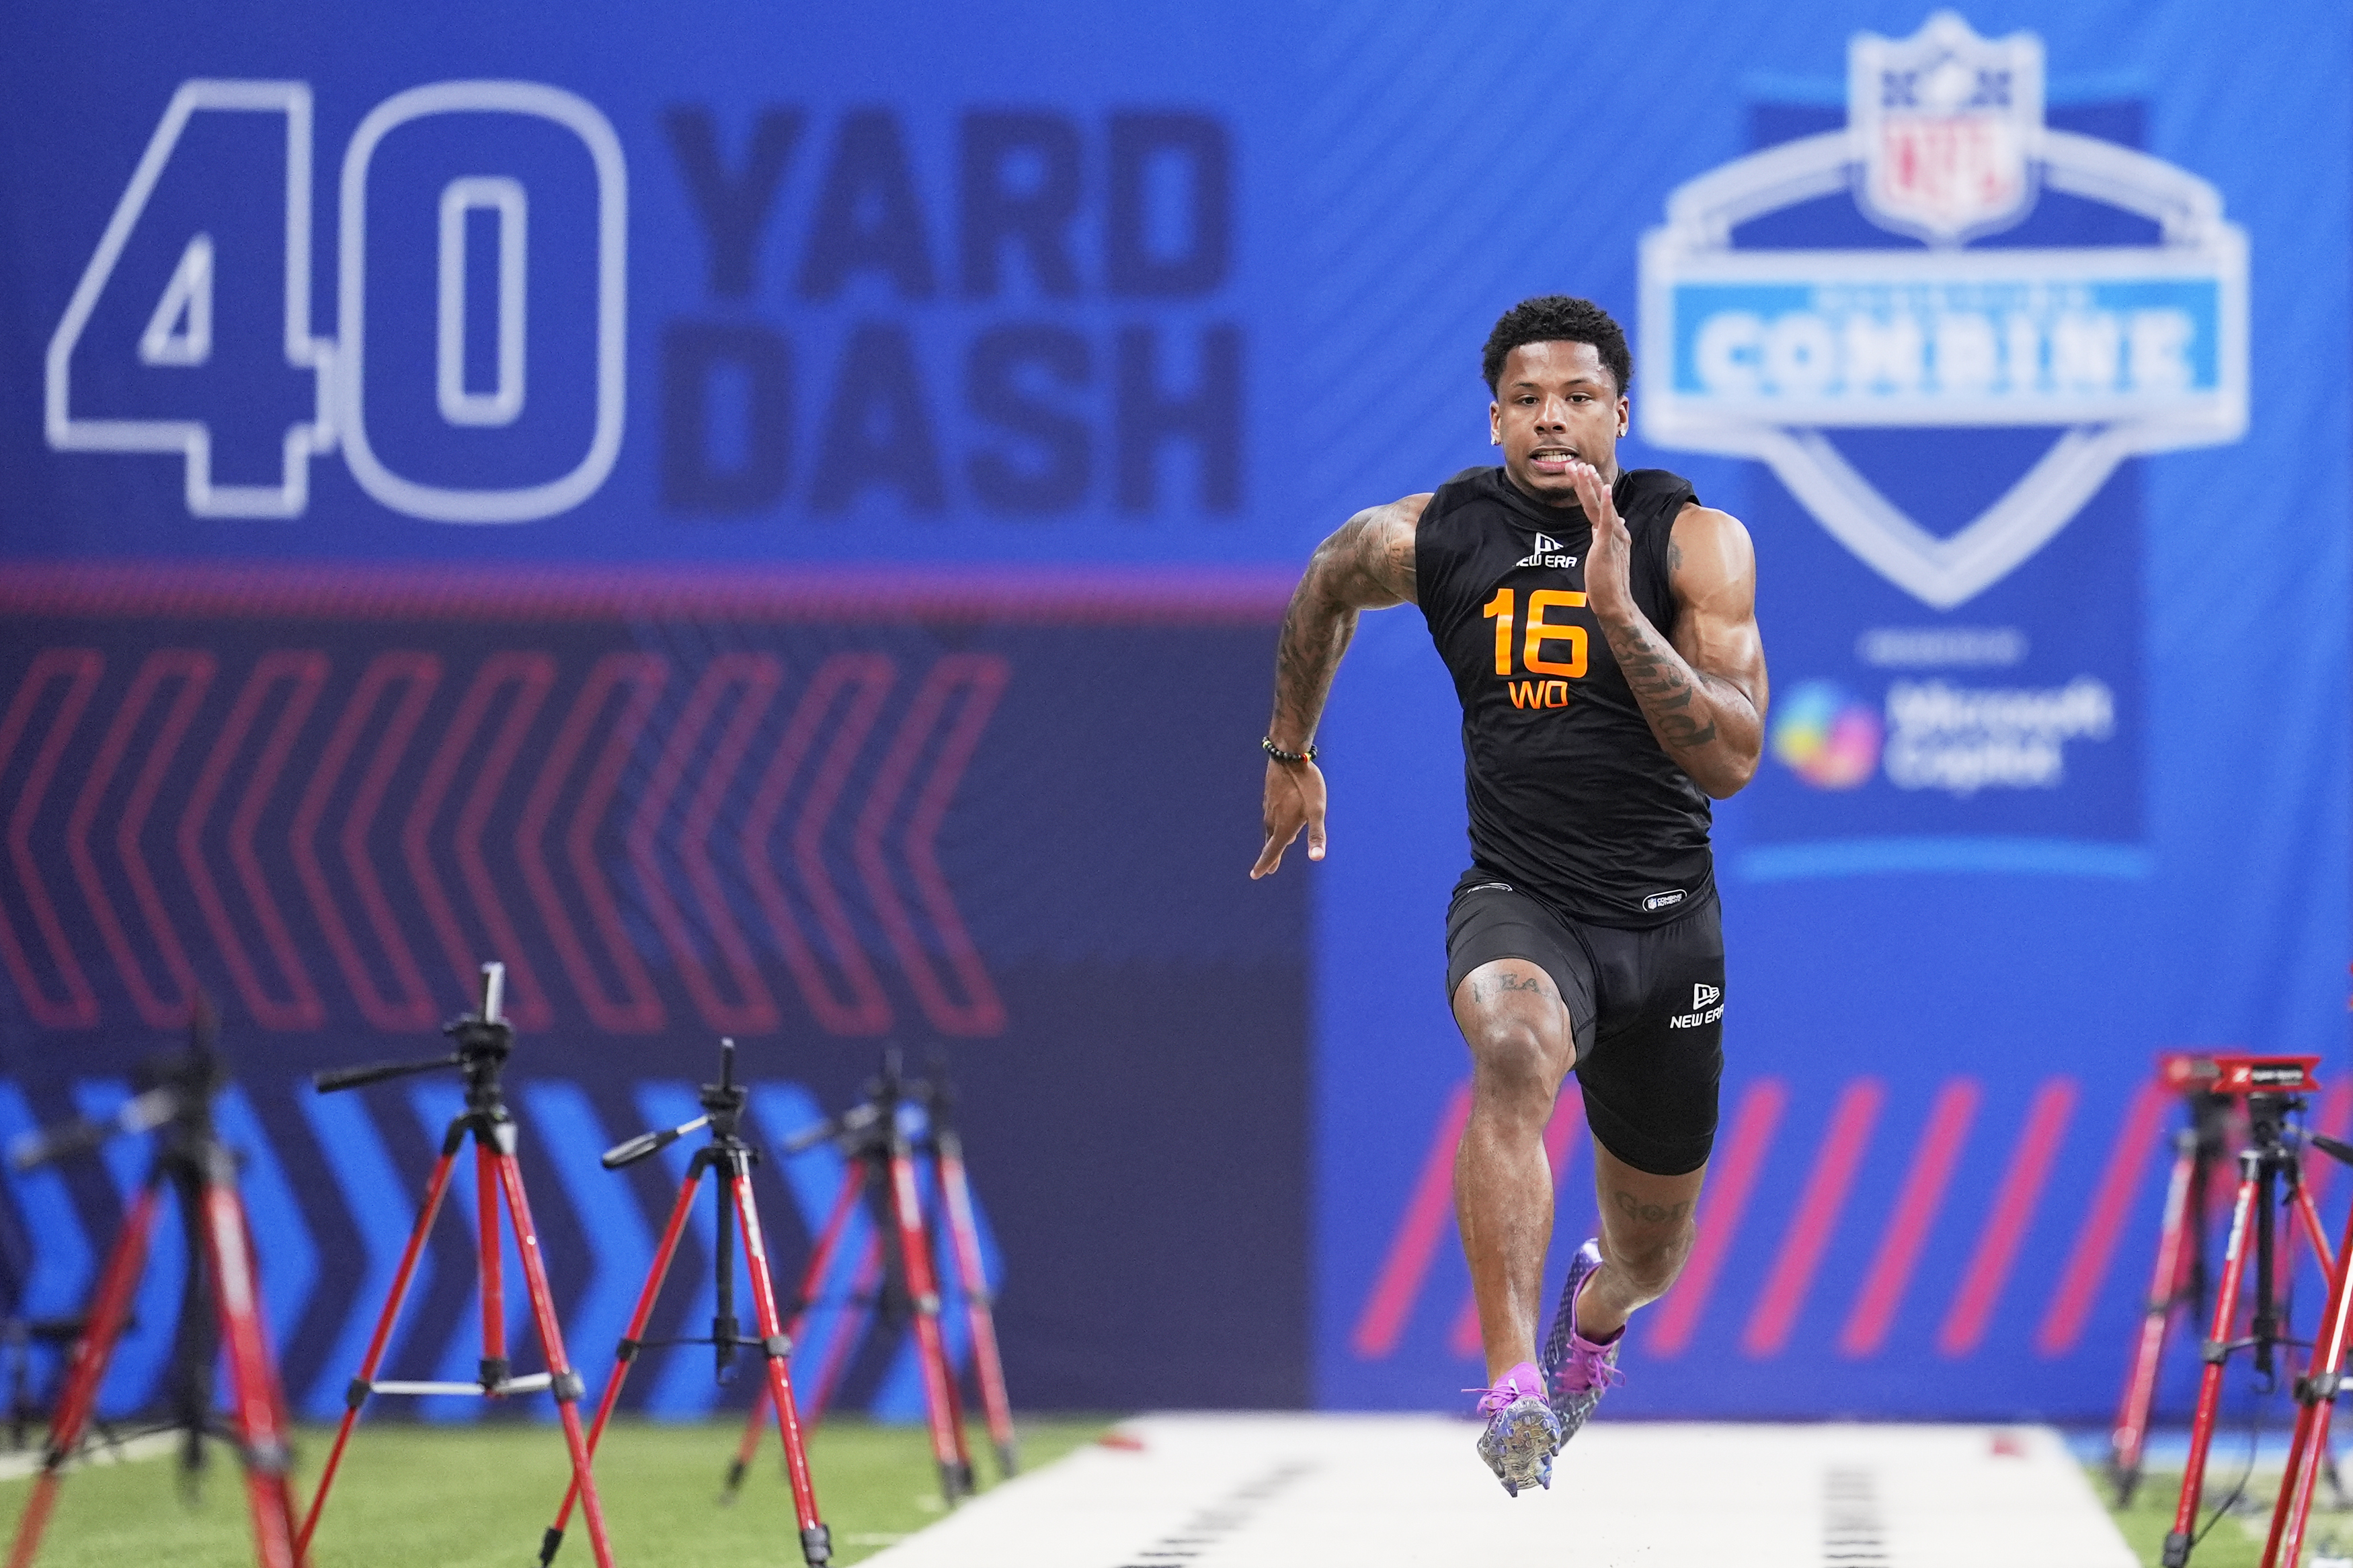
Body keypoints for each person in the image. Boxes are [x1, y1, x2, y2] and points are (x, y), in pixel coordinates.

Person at [1249, 295, 1767, 1495]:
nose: (1553, 420)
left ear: (1620, 414)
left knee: (1653, 1254)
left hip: (1667, 934)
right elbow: (1326, 580)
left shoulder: (1695, 543)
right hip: (1522, 899)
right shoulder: (1433, 538)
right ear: (1495, 420)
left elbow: (1733, 761)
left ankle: (1588, 1326)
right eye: (1527, 400)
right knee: (1516, 1045)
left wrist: (1621, 612)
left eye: (1579, 398)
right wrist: (1290, 752)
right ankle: (1512, 1391)